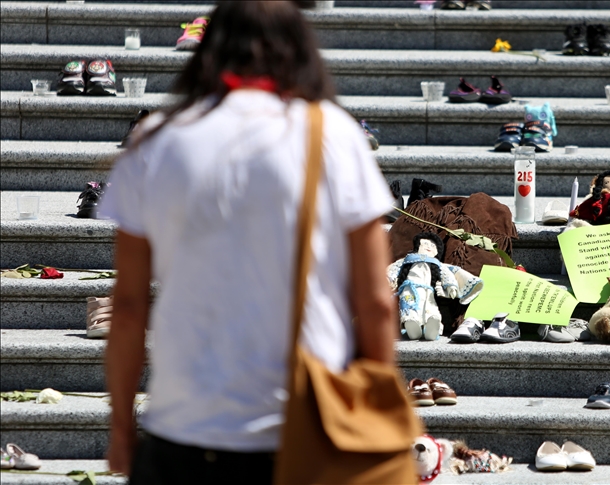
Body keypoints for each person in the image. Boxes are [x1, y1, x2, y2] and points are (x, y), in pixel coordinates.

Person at [100, 2, 397, 483]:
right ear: (300, 51)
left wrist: (120, 430)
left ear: (210, 52)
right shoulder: (333, 134)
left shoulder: (156, 140)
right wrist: (376, 412)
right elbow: (376, 303)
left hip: (181, 430)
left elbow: (130, 306)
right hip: (304, 426)